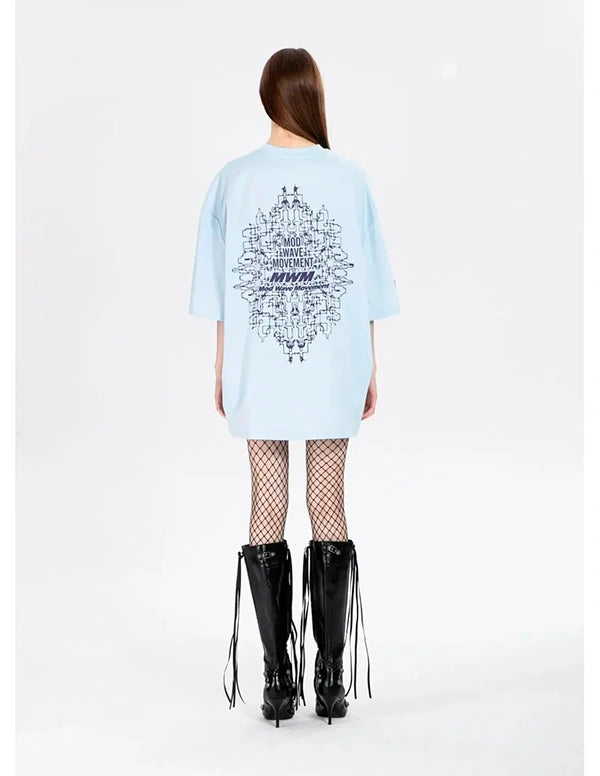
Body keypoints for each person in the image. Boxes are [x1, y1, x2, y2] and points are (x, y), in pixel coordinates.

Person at [189, 48, 400, 727]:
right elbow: (367, 282)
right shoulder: (348, 178)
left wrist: (222, 366)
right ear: (313, 96)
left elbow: (220, 288)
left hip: (260, 364)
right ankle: (331, 680)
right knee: (327, 501)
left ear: (266, 96)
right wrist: (369, 364)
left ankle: (278, 679)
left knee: (267, 501)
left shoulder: (233, 179)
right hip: (334, 361)